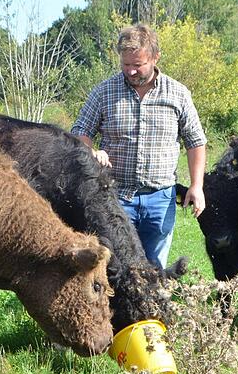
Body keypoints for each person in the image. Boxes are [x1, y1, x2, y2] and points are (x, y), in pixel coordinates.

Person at [71, 23, 207, 269]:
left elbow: (195, 141)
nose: (131, 72)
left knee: (154, 267)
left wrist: (197, 186)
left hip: (160, 199)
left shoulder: (178, 94)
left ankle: (149, 309)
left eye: (138, 65)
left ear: (155, 57)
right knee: (113, 267)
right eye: (126, 65)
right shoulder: (104, 92)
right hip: (115, 197)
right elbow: (80, 131)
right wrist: (91, 151)